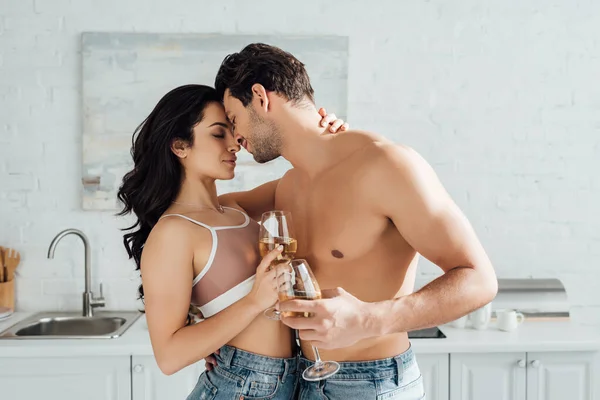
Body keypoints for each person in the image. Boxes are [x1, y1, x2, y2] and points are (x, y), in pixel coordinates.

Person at [210, 43, 498, 399]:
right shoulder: (288, 185)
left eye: (234, 119)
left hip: (371, 385)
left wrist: (367, 320)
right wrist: (203, 323)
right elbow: (200, 216)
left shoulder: (387, 165)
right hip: (303, 378)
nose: (236, 139)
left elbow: (479, 280)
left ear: (260, 97)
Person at [116, 84, 348, 399]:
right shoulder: (173, 232)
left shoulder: (235, 208)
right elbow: (169, 357)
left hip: (291, 382)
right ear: (180, 147)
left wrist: (332, 140)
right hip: (240, 387)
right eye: (217, 134)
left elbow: (317, 177)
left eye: (232, 131)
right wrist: (255, 300)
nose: (234, 145)